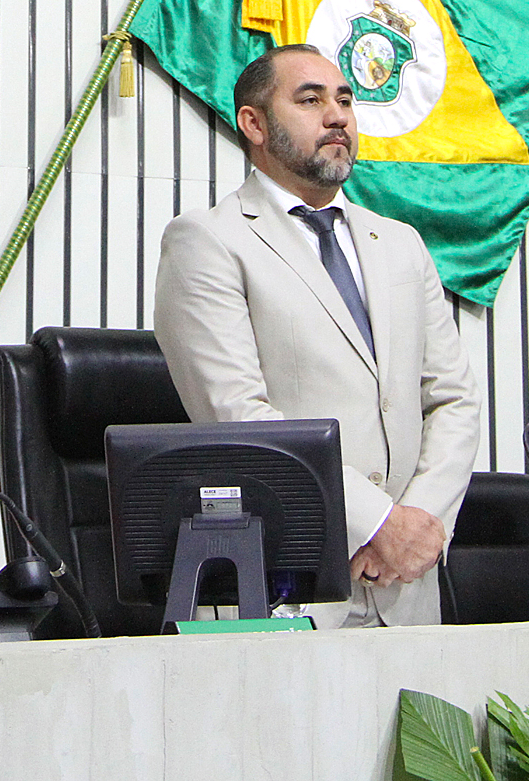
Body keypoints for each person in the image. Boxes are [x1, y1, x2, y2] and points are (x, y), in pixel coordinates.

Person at [153, 43, 481, 627]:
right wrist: (376, 523)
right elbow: (238, 415)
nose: (337, 117)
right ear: (254, 124)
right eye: (310, 101)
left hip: (406, 589)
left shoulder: (400, 241)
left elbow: (451, 398)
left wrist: (421, 523)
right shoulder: (208, 240)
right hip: (287, 582)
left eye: (345, 101)